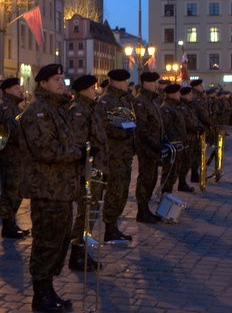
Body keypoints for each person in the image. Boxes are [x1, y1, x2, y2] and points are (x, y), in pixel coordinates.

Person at [19, 63, 83, 313]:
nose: (61, 83)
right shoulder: (38, 112)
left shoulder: (57, 110)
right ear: (43, 83)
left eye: (62, 79)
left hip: (62, 188)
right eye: (56, 79)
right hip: (46, 188)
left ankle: (49, 288)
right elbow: (45, 149)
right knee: (47, 241)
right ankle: (40, 293)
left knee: (60, 240)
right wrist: (79, 153)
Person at [66, 74, 108, 271]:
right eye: (93, 88)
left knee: (90, 214)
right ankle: (77, 254)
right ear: (83, 90)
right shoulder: (79, 112)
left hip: (95, 170)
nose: (96, 91)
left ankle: (83, 252)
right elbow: (79, 145)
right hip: (87, 172)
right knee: (85, 214)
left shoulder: (90, 109)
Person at [95, 69, 136, 242]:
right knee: (114, 191)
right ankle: (109, 228)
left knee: (122, 191)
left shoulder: (123, 100)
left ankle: (114, 226)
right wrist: (124, 132)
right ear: (116, 82)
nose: (128, 84)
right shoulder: (105, 101)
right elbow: (104, 128)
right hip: (113, 155)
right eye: (125, 81)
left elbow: (130, 120)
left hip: (124, 154)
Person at [0, 77, 30, 239]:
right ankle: (7, 226)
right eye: (16, 88)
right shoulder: (7, 108)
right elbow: (14, 132)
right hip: (9, 157)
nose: (20, 91)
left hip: (16, 157)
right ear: (7, 90)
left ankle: (11, 223)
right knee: (10, 193)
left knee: (16, 192)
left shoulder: (14, 107)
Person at [132, 71, 163, 224]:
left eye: (155, 82)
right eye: (152, 83)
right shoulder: (140, 101)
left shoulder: (152, 101)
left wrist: (162, 141)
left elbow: (158, 124)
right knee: (145, 179)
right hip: (146, 148)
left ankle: (146, 209)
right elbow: (141, 128)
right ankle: (142, 210)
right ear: (144, 83)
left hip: (154, 148)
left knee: (151, 179)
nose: (155, 85)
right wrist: (154, 144)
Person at [160, 84, 187, 193]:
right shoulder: (166, 108)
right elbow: (165, 129)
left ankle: (168, 193)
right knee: (168, 173)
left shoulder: (175, 107)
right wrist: (171, 143)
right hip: (172, 146)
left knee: (174, 172)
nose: (180, 95)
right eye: (178, 93)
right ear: (172, 94)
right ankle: (165, 194)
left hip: (177, 145)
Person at [188, 79, 211, 183]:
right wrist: (208, 123)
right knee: (196, 152)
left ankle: (195, 172)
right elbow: (200, 115)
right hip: (197, 129)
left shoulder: (200, 98)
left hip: (202, 128)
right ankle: (194, 173)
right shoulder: (195, 99)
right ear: (196, 87)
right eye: (200, 86)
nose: (202, 87)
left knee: (199, 152)